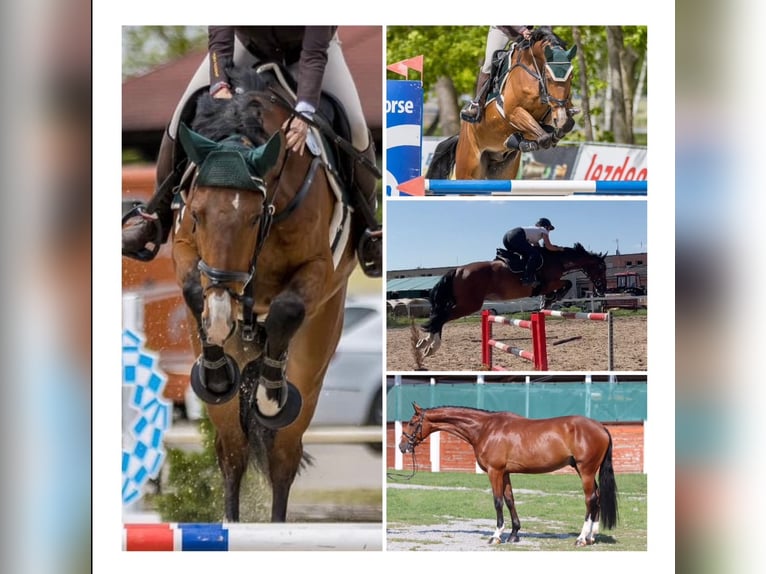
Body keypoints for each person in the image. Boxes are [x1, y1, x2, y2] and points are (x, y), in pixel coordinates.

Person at [122, 26, 381, 276]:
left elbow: (313, 54)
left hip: (310, 51)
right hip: (245, 47)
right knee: (180, 119)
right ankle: (155, 217)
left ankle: (368, 230)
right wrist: (219, 85)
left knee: (356, 126)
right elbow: (220, 33)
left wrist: (304, 111)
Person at [460, 26, 534, 123]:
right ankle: (477, 105)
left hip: (527, 33)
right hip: (503, 30)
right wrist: (522, 30)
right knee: (489, 65)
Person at [502, 217, 563, 285]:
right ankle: (527, 278)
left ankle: (522, 272)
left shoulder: (534, 232)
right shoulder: (543, 230)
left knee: (529, 254)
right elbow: (548, 246)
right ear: (546, 226)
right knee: (534, 255)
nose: (549, 231)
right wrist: (559, 249)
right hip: (517, 236)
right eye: (549, 229)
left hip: (507, 238)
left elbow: (537, 247)